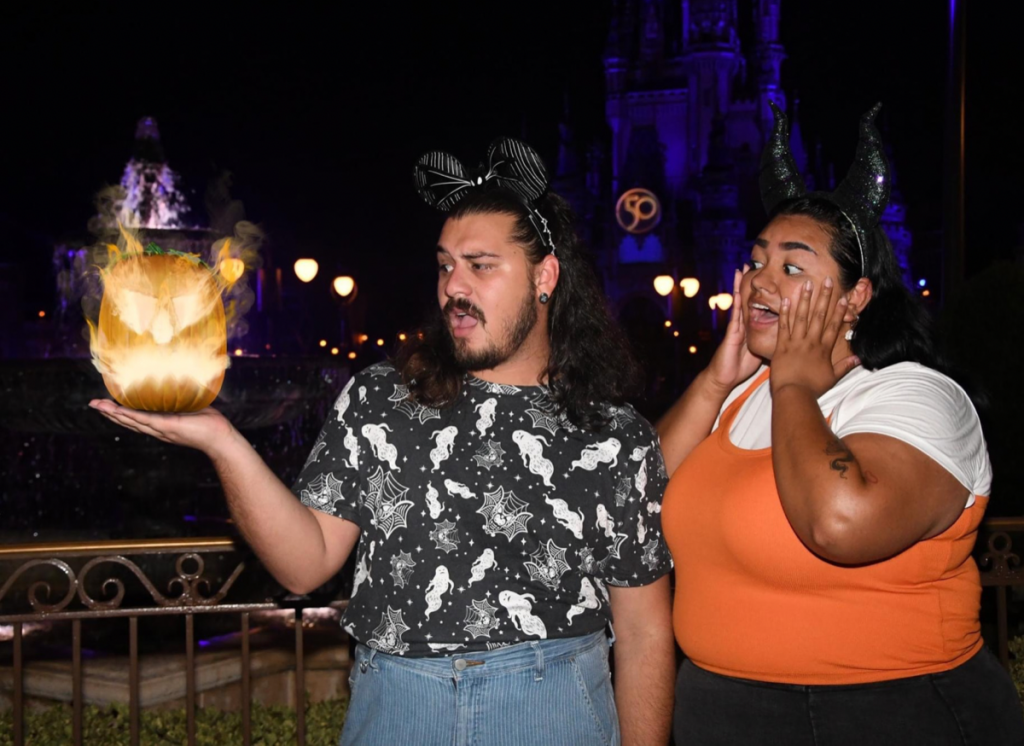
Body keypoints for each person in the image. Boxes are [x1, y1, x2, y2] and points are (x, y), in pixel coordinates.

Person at [92, 137, 675, 746]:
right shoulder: (382, 399)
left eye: (481, 266)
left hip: (551, 708)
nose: (455, 287)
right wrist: (224, 443)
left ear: (545, 276)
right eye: (446, 265)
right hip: (398, 705)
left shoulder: (613, 436)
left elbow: (644, 635)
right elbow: (304, 562)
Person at [657, 103, 1024, 745]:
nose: (759, 281)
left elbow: (839, 523)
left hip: (885, 715)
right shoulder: (743, 398)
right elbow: (635, 494)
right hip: (721, 711)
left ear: (855, 298)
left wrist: (794, 379)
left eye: (792, 267)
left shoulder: (915, 397)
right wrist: (719, 378)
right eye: (758, 260)